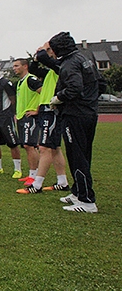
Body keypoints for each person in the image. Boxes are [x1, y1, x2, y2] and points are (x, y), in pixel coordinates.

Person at [48, 32, 103, 213]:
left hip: (75, 115)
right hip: (88, 113)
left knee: (77, 156)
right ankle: (78, 192)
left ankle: (87, 201)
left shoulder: (70, 63)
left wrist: (58, 98)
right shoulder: (84, 58)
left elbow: (74, 88)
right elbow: (100, 84)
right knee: (83, 155)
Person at [17, 42, 71, 195]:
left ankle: (37, 184)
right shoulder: (51, 70)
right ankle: (62, 181)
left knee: (44, 147)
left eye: (48, 49)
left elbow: (43, 58)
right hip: (46, 108)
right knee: (54, 148)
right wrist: (35, 59)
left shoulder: (60, 64)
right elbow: (34, 69)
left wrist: (41, 52)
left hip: (51, 108)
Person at [12, 58, 42, 183]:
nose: (14, 68)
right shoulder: (20, 82)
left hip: (30, 117)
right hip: (21, 117)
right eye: (13, 66)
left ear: (25, 66)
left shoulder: (31, 79)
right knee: (26, 145)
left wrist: (38, 110)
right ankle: (32, 173)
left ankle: (35, 176)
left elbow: (43, 92)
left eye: (17, 66)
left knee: (30, 145)